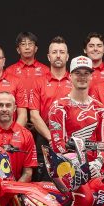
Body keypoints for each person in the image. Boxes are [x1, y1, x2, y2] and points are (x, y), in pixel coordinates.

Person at [47, 56, 104, 206]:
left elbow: (103, 143)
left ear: (91, 76)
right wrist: (82, 166)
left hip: (92, 168)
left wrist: (98, 162)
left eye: (86, 73)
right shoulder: (59, 106)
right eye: (77, 73)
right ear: (70, 76)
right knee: (85, 198)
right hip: (64, 166)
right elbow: (58, 146)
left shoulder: (99, 108)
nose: (82, 77)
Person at [28, 36, 72, 179]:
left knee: (70, 183)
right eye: (54, 52)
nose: (58, 55)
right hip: (45, 138)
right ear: (48, 56)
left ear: (67, 57)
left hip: (70, 139)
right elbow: (34, 116)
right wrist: (52, 138)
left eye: (62, 52)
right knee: (44, 184)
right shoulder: (38, 82)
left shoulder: (75, 81)